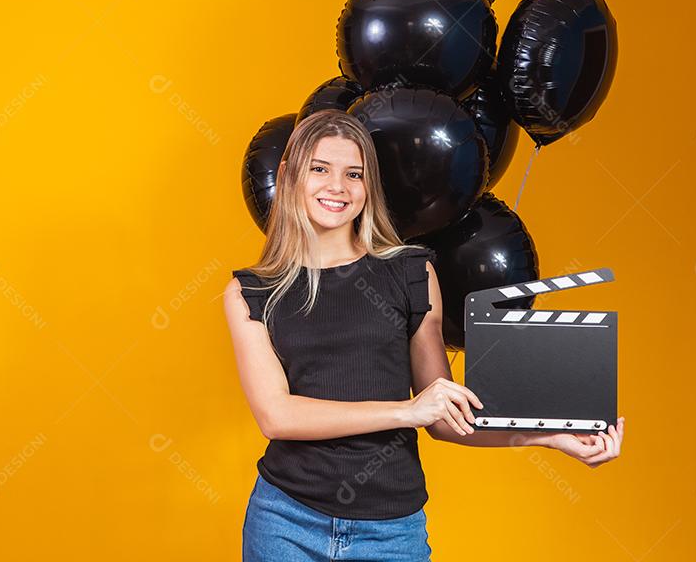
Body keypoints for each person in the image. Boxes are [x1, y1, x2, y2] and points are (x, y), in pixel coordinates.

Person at [224, 110, 623, 561]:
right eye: (320, 168)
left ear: (368, 186)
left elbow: (441, 415)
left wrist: (550, 437)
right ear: (290, 175)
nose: (337, 186)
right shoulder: (251, 292)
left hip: (391, 533)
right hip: (285, 521)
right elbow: (279, 417)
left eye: (354, 174)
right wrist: (406, 410)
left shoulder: (411, 273)